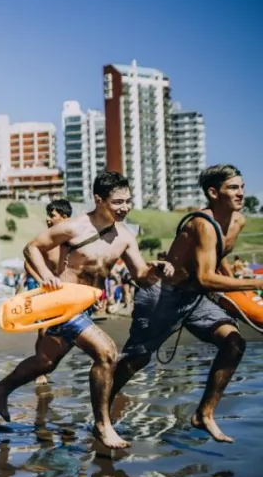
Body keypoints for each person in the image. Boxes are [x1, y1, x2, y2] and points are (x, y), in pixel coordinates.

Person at [0, 171, 172, 449]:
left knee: (46, 362)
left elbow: (141, 276)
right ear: (99, 200)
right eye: (117, 202)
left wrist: (156, 270)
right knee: (107, 353)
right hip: (62, 303)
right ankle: (102, 425)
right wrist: (45, 277)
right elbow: (32, 248)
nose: (124, 207)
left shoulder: (125, 236)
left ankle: (2, 387)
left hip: (85, 307)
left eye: (128, 201)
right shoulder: (74, 227)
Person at [111, 164, 263, 443]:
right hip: (163, 295)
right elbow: (206, 277)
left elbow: (217, 258)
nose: (241, 192)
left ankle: (204, 414)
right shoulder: (201, 224)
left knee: (234, 343)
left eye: (242, 186)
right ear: (213, 193)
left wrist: (238, 297)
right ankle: (102, 409)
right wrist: (254, 283)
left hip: (195, 299)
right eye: (233, 187)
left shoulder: (238, 221)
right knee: (137, 359)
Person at [26, 198, 73, 385]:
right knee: (43, 332)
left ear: (65, 217)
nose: (48, 219)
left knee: (67, 335)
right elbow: (28, 262)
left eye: (52, 215)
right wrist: (42, 282)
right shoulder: (46, 240)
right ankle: (40, 372)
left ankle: (47, 365)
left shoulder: (73, 240)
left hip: (66, 293)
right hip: (46, 292)